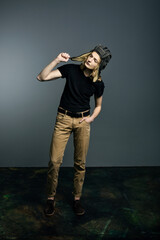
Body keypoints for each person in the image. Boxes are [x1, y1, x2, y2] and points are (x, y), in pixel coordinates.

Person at [37, 44, 112, 216]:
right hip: (63, 120)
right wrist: (56, 59)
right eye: (90, 56)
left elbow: (99, 106)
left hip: (82, 122)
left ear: (98, 66)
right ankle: (50, 199)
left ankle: (77, 199)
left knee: (80, 164)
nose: (89, 60)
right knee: (55, 162)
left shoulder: (98, 83)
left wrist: (91, 118)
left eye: (94, 60)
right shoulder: (70, 70)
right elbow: (41, 77)